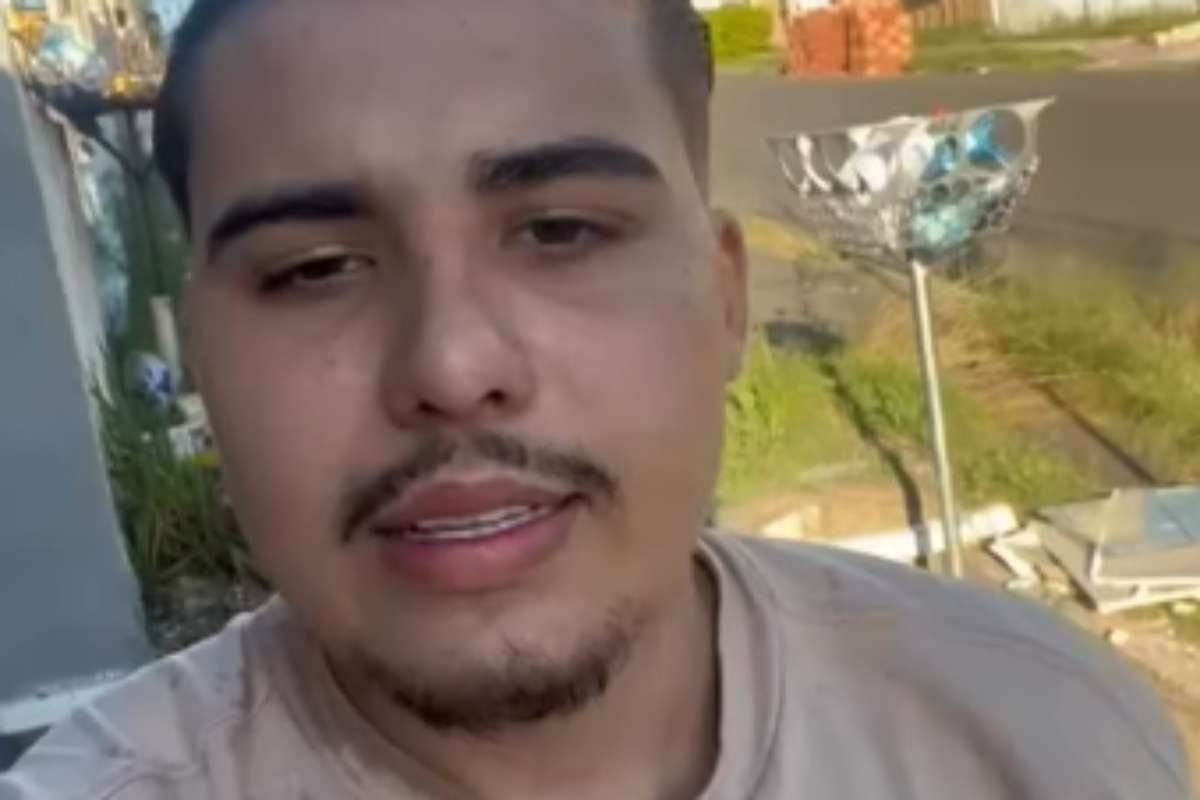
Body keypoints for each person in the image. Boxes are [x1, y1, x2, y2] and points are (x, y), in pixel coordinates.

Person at [1, 1, 1191, 797]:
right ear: (202, 355)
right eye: (315, 268)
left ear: (727, 299)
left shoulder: (1041, 735)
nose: (451, 365)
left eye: (560, 230)